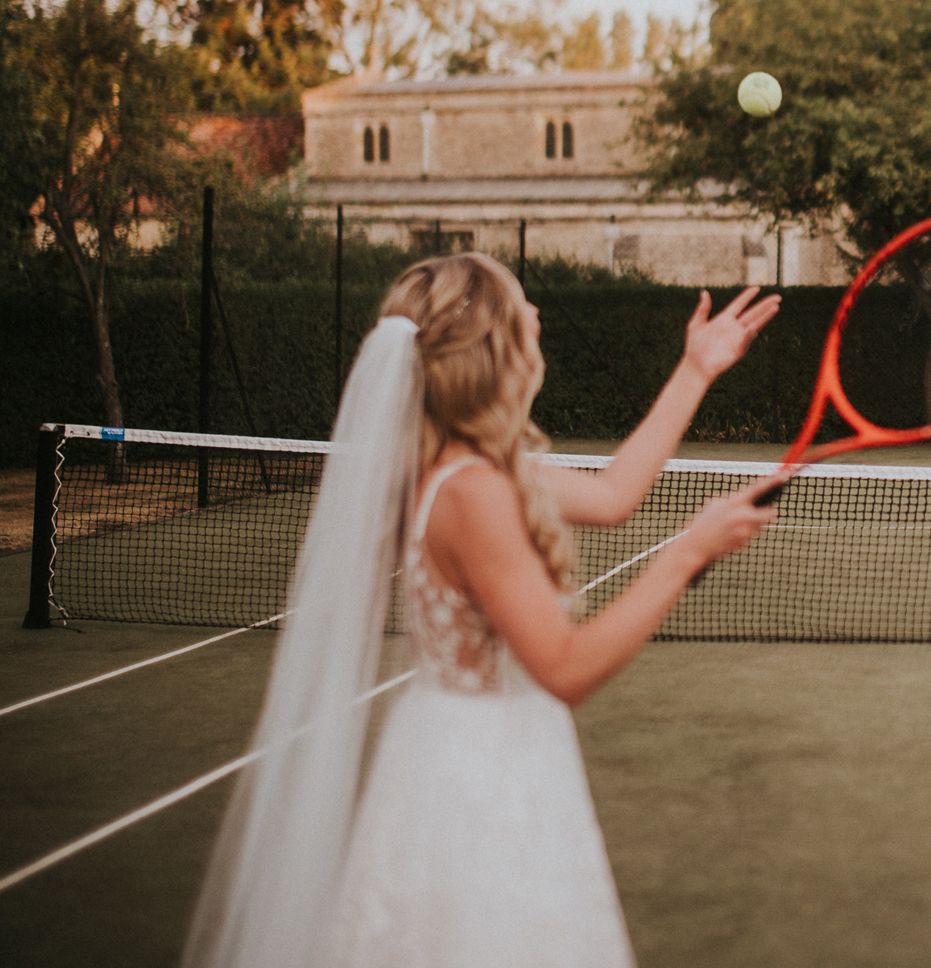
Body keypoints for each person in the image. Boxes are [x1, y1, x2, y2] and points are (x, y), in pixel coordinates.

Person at [183, 253, 782, 968]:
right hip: (481, 773)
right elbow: (564, 666)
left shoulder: (464, 468)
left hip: (464, 748)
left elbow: (616, 494)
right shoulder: (473, 491)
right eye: (522, 303)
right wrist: (687, 553)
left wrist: (696, 369)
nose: (536, 315)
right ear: (494, 346)